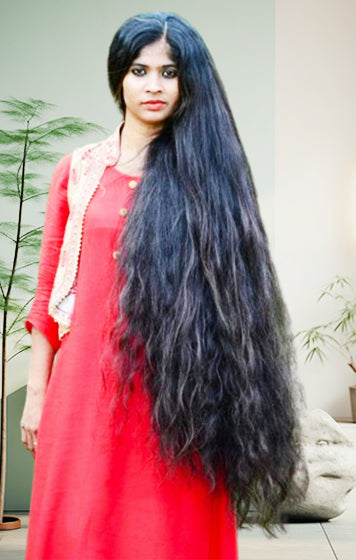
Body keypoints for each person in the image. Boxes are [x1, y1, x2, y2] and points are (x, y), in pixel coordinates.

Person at [20, 11, 306, 560]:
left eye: (169, 72)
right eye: (140, 70)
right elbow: (49, 292)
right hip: (83, 391)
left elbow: (235, 297)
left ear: (187, 81)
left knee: (167, 532)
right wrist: (38, 396)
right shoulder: (79, 171)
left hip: (179, 395)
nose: (154, 85)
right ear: (119, 77)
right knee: (79, 526)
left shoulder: (209, 175)